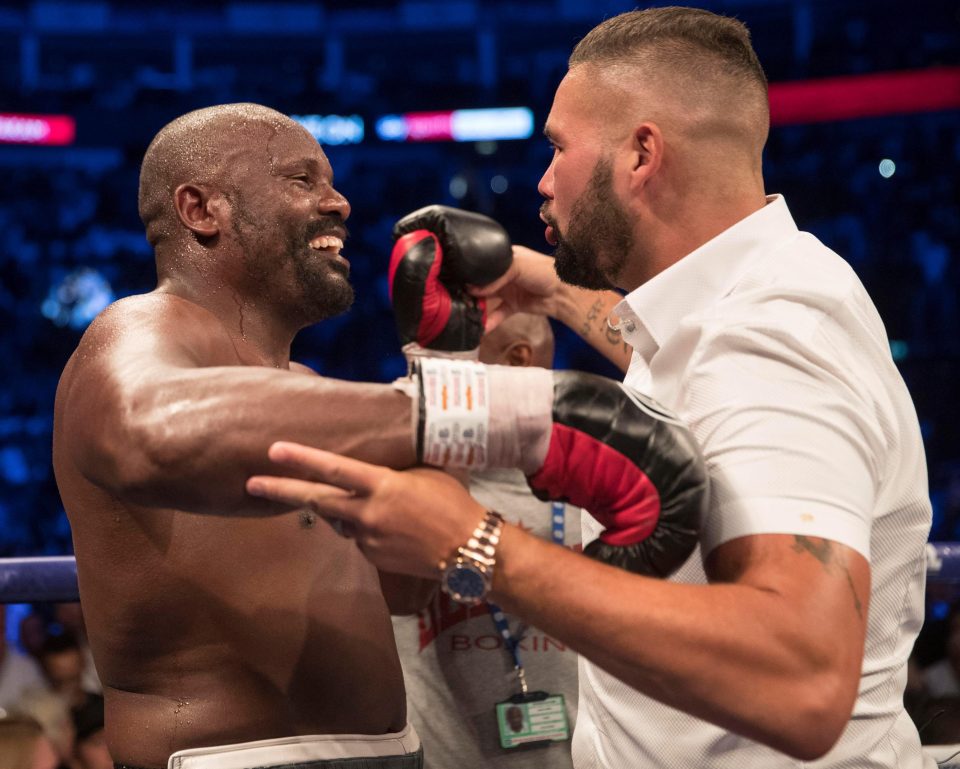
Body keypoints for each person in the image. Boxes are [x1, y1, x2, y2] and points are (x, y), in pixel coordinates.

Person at [246, 7, 934, 767]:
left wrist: (468, 542)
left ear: (641, 154)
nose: (541, 180)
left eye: (558, 148)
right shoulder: (749, 301)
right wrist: (540, 283)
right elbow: (679, 354)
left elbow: (802, 684)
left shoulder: (770, 336)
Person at [53, 102, 696, 769]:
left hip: (394, 752)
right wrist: (495, 413)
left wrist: (441, 361)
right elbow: (148, 430)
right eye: (302, 180)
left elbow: (406, 589)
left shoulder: (307, 393)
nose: (339, 202)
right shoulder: (133, 331)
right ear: (200, 209)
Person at [391, 313, 580, 769]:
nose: (422, 362)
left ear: (517, 360)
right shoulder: (400, 481)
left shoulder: (598, 496)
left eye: (450, 347)